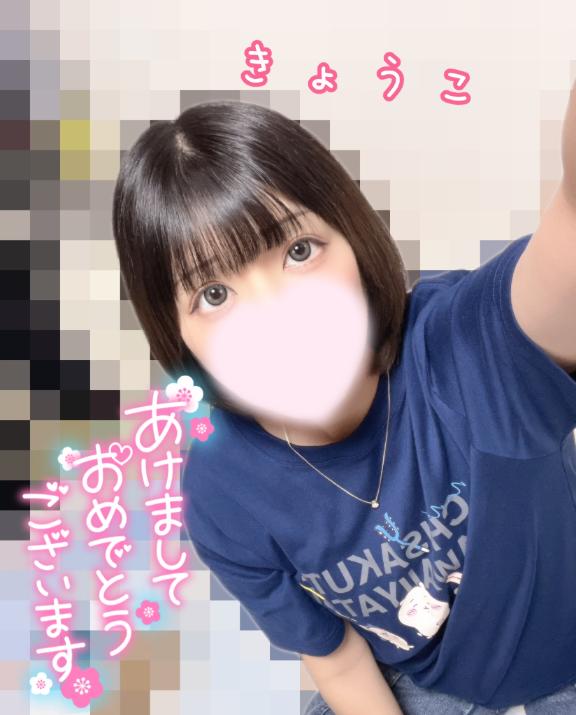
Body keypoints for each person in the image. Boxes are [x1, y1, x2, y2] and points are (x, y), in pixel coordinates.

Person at [111, 99, 576, 714]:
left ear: (353, 239)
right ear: (177, 337)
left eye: (299, 250)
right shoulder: (221, 491)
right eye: (214, 293)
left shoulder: (465, 346)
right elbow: (337, 656)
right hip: (423, 679)